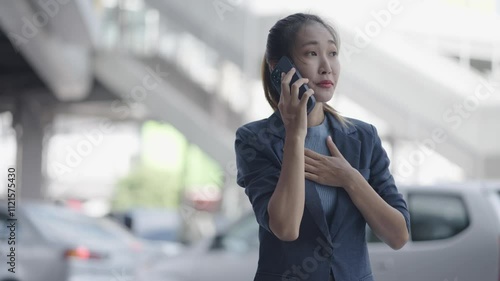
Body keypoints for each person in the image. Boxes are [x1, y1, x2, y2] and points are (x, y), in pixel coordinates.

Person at [234, 13, 410, 281]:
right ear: (278, 67)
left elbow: (398, 236)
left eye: (333, 52)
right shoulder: (254, 139)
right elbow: (285, 227)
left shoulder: (363, 137)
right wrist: (295, 134)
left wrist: (349, 178)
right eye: (312, 53)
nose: (327, 66)